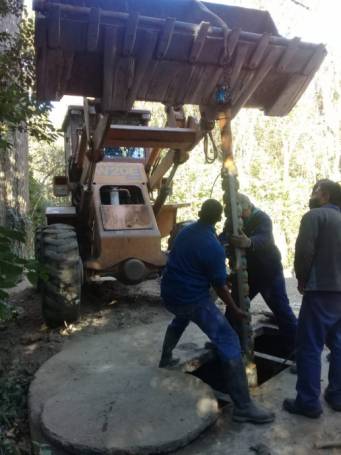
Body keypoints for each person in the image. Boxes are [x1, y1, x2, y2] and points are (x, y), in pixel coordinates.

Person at [159, 199, 275, 424]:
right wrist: (234, 309)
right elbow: (220, 286)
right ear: (219, 219)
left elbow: (188, 258)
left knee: (180, 319)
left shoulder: (186, 231)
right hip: (191, 298)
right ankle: (243, 406)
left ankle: (166, 358)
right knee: (228, 340)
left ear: (201, 213)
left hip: (170, 293)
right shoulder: (212, 248)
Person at [283, 179, 341, 418]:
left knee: (309, 345)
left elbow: (304, 251)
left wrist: (302, 278)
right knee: (339, 344)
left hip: (321, 291)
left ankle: (308, 402)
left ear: (325, 195)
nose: (312, 194)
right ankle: (337, 395)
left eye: (315, 191)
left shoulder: (315, 216)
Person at [227, 194, 297, 353]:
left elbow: (264, 238)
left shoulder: (262, 218)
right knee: (233, 309)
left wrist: (249, 242)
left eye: (240, 212)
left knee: (281, 311)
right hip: (247, 274)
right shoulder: (233, 220)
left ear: (248, 207)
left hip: (269, 272)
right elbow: (225, 237)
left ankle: (296, 349)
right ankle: (231, 343)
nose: (238, 216)